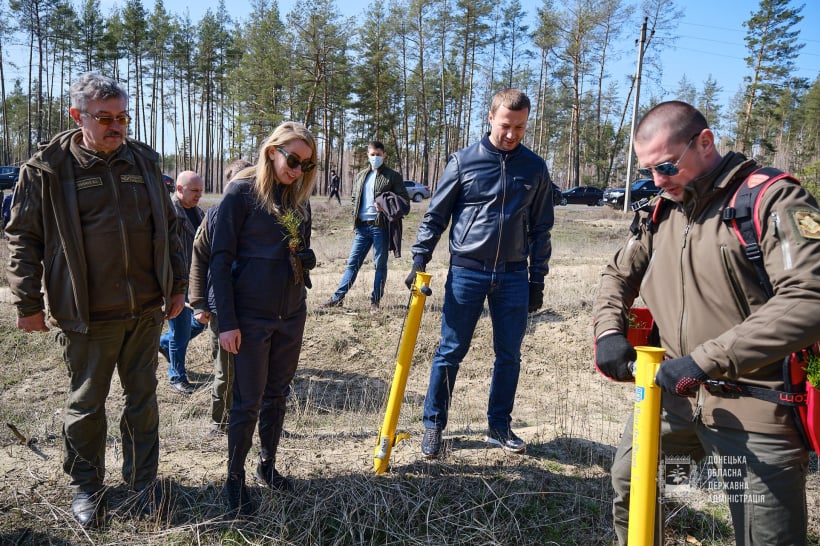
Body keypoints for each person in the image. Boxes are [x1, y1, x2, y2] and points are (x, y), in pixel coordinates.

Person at [593, 100, 820, 545]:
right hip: (673, 399)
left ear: (705, 142)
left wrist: (705, 361)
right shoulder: (663, 210)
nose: (658, 181)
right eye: (649, 171)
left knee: (764, 535)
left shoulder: (772, 198)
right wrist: (607, 331)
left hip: (754, 408)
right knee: (634, 486)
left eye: (666, 166)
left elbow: (809, 298)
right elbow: (618, 274)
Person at [5, 72, 187, 529]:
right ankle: (87, 486)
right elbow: (22, 239)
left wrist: (178, 286)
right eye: (104, 117)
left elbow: (171, 228)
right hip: (87, 316)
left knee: (142, 401)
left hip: (146, 310)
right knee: (87, 405)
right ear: (77, 116)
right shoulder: (46, 168)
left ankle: (143, 483)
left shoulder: (144, 161)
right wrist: (27, 303)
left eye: (123, 116)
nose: (116, 126)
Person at [406, 88, 554, 459]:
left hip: (514, 277)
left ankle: (499, 427)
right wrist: (419, 259)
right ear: (490, 118)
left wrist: (537, 280)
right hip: (467, 273)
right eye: (506, 125)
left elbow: (541, 230)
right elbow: (436, 216)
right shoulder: (463, 161)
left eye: (520, 127)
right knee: (450, 350)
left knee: (509, 355)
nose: (512, 134)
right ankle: (434, 424)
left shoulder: (534, 168)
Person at [210, 122, 318, 516]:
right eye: (293, 160)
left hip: (291, 314)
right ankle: (234, 478)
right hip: (250, 317)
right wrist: (227, 322)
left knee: (278, 395)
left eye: (306, 165)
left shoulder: (298, 201)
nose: (298, 170)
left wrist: (308, 262)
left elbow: (297, 255)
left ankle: (267, 466)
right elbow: (219, 262)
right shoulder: (240, 193)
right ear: (272, 151)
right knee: (247, 402)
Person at [189, 159, 252, 435]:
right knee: (225, 371)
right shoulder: (214, 216)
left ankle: (254, 419)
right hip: (222, 308)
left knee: (256, 371)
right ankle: (221, 423)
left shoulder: (264, 214)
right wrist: (199, 303)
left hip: (257, 306)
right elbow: (199, 260)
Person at [320, 141, 409, 313]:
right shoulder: (361, 176)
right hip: (362, 228)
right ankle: (337, 298)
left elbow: (404, 202)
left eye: (378, 154)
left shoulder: (393, 176)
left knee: (380, 265)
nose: (375, 157)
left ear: (384, 155)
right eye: (372, 154)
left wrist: (386, 204)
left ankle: (375, 302)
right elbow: (355, 198)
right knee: (352, 263)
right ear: (367, 155)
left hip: (380, 227)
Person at [159, 170, 206, 395]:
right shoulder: (168, 213)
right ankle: (177, 376)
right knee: (180, 331)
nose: (199, 195)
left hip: (196, 280)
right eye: (194, 191)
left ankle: (163, 343)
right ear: (179, 189)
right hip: (176, 282)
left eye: (201, 191)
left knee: (200, 323)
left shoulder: (198, 212)